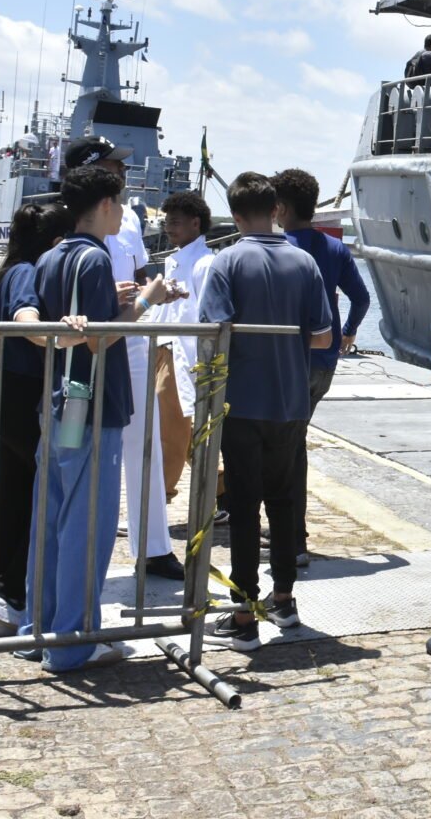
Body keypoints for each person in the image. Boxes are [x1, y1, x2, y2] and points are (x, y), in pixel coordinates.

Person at [22, 163, 173, 672]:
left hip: (60, 400)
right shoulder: (95, 257)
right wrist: (147, 301)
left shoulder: (51, 256)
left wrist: (115, 304)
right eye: (122, 201)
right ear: (106, 204)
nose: (125, 211)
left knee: (51, 518)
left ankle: (36, 628)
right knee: (87, 525)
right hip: (91, 404)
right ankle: (73, 641)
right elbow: (99, 337)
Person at [198, 172, 331, 650]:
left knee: (243, 509)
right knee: (283, 502)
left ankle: (243, 615)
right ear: (276, 209)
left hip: (242, 402)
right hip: (291, 401)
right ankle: (285, 599)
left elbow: (215, 332)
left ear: (235, 216)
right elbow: (322, 336)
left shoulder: (227, 261)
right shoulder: (306, 263)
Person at [60, 136, 182, 580]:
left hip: (129, 336)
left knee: (143, 439)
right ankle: (69, 551)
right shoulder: (63, 220)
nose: (125, 174)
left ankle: (152, 547)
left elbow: (138, 270)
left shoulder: (128, 216)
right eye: (116, 167)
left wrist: (159, 289)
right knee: (74, 444)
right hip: (82, 342)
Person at [0, 200, 77, 634]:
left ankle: (4, 592)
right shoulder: (26, 273)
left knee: (16, 494)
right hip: (21, 395)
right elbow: (25, 318)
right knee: (36, 496)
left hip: (10, 393)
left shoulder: (16, 267)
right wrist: (58, 335)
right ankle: (14, 590)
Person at [273, 169, 369, 568]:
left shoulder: (278, 247)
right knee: (294, 442)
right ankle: (288, 529)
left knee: (283, 449)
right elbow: (360, 299)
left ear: (280, 207)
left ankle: (292, 537)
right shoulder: (334, 249)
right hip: (323, 361)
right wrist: (347, 334)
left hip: (286, 360)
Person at [151, 191, 216, 504]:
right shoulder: (174, 259)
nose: (168, 228)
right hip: (163, 349)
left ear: (195, 223)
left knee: (172, 434)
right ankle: (221, 490)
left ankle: (159, 499)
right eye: (166, 222)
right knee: (183, 434)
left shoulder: (205, 264)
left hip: (182, 356)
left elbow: (207, 315)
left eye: (175, 222)